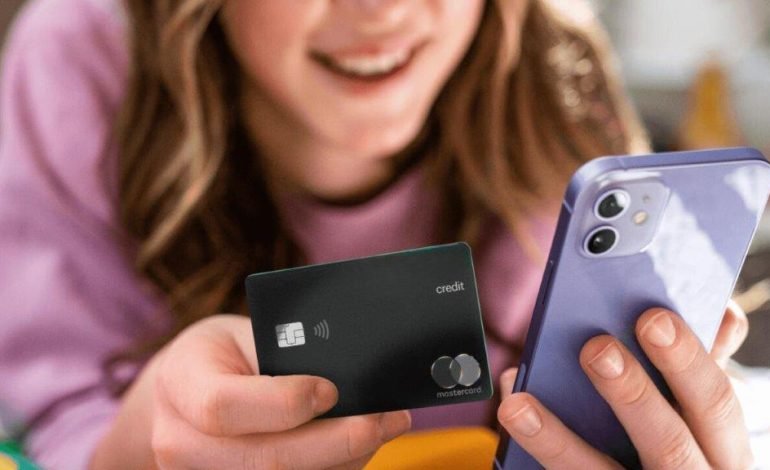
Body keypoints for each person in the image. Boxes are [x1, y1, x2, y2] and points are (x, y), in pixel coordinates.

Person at [0, 0, 753, 468]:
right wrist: (148, 431)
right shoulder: (83, 57)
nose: (382, 10)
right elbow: (53, 420)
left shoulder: (557, 81)